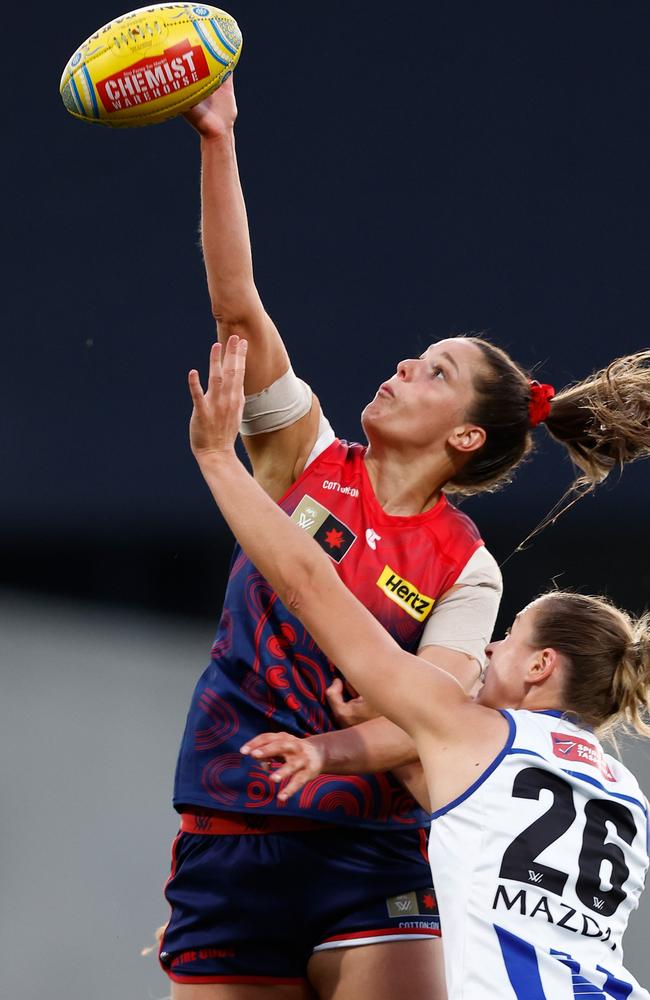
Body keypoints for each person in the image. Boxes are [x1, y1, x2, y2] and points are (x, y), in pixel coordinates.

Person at [159, 78, 650, 999]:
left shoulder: (467, 567)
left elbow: (433, 711)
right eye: (414, 357)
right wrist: (217, 140)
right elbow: (239, 306)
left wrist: (335, 753)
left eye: (433, 372)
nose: (400, 367)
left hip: (375, 853)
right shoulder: (301, 452)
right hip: (231, 823)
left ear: (465, 437)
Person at [185, 335, 650, 1000]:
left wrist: (214, 459)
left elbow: (313, 586)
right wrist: (357, 743)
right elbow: (471, 810)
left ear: (543, 665)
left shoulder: (474, 731)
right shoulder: (625, 798)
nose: (487, 650)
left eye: (509, 638)